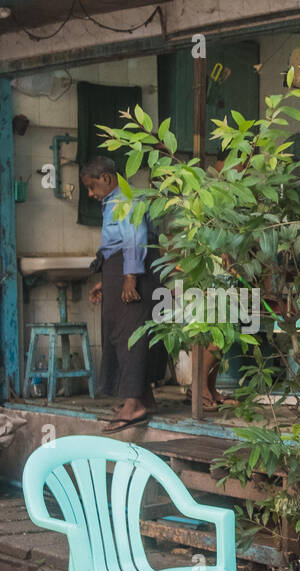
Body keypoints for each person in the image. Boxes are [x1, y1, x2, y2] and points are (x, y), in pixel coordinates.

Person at [83, 156, 165, 433]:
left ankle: (134, 404)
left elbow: (135, 237)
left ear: (106, 178)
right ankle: (145, 398)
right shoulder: (116, 200)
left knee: (129, 334)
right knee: (126, 332)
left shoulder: (125, 200)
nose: (92, 194)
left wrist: (130, 277)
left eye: (92, 187)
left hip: (134, 270)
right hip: (122, 268)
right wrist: (108, 281)